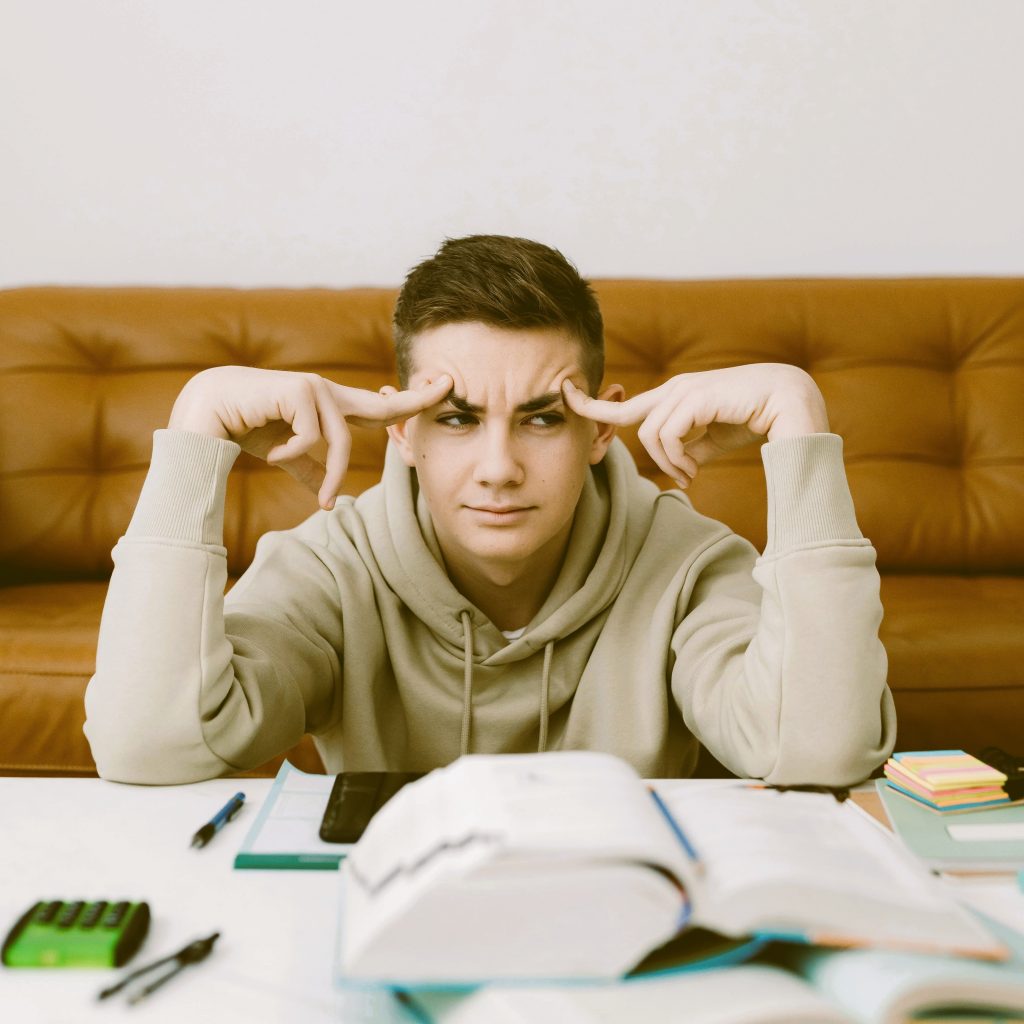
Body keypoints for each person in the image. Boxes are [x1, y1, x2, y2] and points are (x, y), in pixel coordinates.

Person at [84, 235, 896, 786]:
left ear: (599, 431)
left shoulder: (686, 562)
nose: (500, 468)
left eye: (543, 417)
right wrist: (196, 428)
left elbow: (817, 754)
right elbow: (147, 746)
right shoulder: (331, 566)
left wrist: (797, 418)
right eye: (458, 418)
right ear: (402, 430)